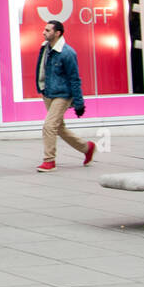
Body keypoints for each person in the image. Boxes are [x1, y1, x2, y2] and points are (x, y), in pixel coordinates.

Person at [35, 19, 95, 172]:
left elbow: (75, 79)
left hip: (62, 95)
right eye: (45, 29)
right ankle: (86, 148)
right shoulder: (45, 47)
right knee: (59, 127)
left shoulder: (67, 53)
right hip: (47, 92)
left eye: (48, 30)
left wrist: (79, 103)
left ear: (57, 33)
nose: (44, 32)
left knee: (49, 126)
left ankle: (49, 161)